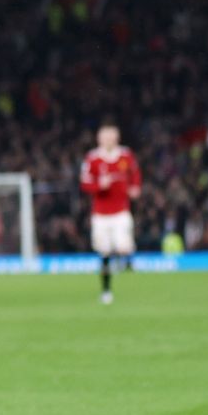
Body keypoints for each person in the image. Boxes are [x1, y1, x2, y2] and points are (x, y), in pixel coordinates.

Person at [80, 123, 142, 305]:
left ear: (117, 138)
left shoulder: (125, 155)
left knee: (124, 246)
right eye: (105, 137)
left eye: (111, 137)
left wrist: (135, 187)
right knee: (104, 252)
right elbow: (84, 184)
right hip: (100, 214)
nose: (108, 140)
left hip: (121, 211)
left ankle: (124, 264)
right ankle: (106, 291)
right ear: (99, 139)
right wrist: (100, 185)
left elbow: (135, 174)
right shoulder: (92, 159)